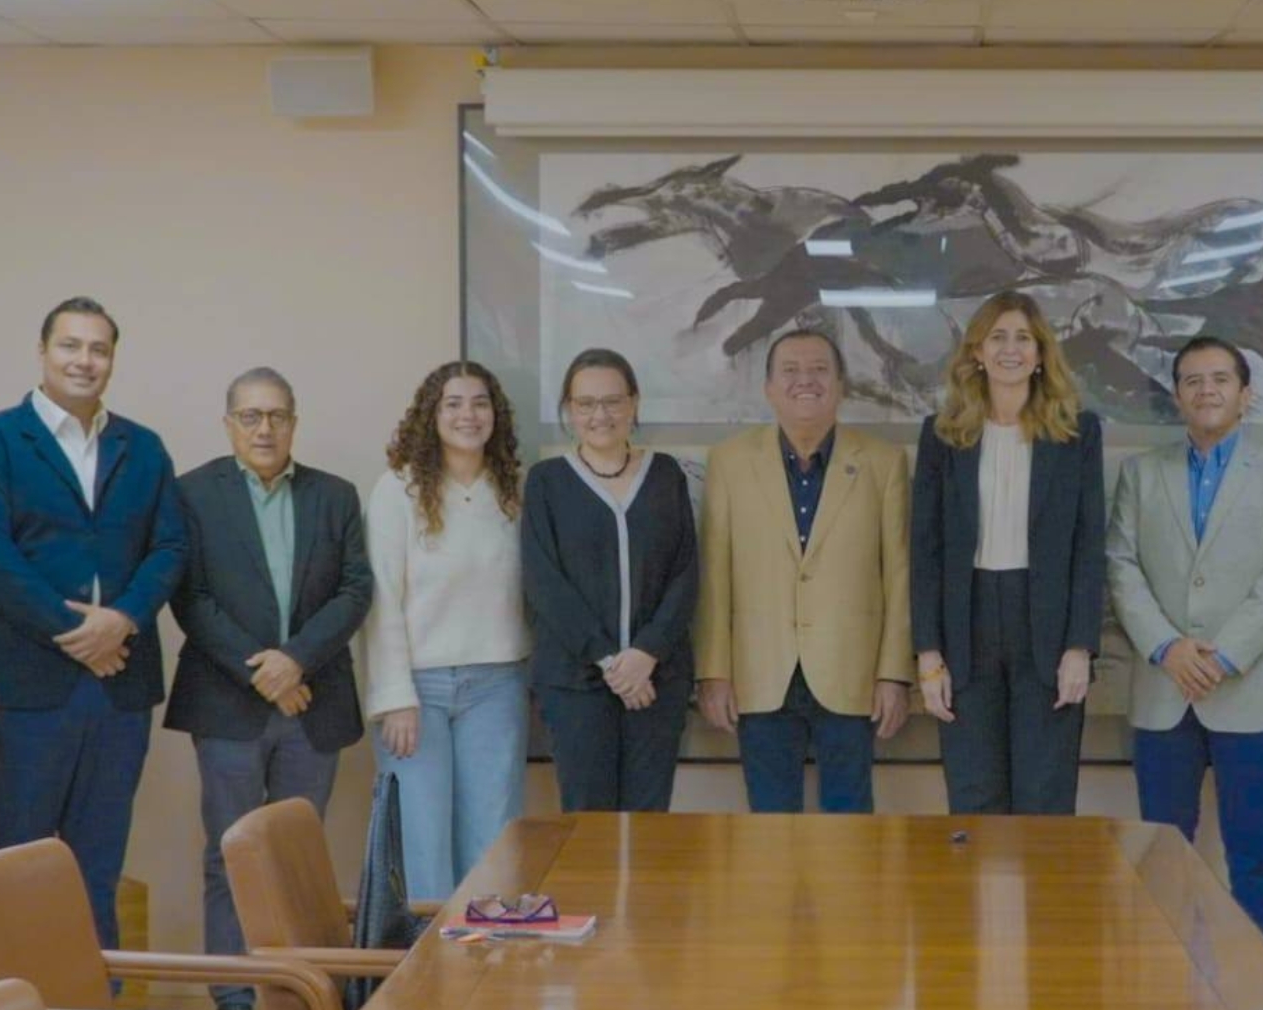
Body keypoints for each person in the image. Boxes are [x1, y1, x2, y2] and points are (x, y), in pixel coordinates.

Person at [0, 297, 189, 948]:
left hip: (120, 686)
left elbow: (170, 547)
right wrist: (77, 633)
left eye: (99, 349)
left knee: (99, 863)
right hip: (30, 683)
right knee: (18, 860)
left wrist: (123, 620)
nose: (85, 360)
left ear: (112, 358)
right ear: (42, 352)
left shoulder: (141, 447)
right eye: (70, 346)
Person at [165, 366, 373, 1010]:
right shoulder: (193, 494)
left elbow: (354, 588)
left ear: (294, 422)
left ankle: (299, 991)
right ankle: (234, 999)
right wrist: (264, 671)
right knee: (228, 855)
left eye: (277, 416)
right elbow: (189, 598)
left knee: (295, 859)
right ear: (229, 424)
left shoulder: (334, 496)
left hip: (313, 702)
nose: (264, 428)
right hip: (229, 704)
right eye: (250, 416)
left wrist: (296, 661)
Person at [1102, 332, 1263, 946]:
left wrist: (1222, 655)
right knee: (1163, 850)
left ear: (1245, 394)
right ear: (1177, 395)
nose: (1206, 390)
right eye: (1192, 381)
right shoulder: (1142, 473)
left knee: (1251, 855)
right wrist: (1167, 646)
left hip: (1247, 689)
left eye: (1220, 379)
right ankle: (1165, 988)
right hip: (1163, 692)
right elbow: (1120, 565)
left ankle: (1260, 999)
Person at [696, 326, 911, 815]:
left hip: (852, 673)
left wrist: (894, 674)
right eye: (789, 371)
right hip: (759, 674)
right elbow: (715, 577)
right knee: (769, 828)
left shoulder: (883, 462)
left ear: (841, 385)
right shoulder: (729, 462)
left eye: (819, 370)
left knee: (850, 826)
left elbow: (898, 576)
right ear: (769, 388)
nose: (805, 381)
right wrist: (714, 671)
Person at [910, 290, 1106, 815]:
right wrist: (929, 654)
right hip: (965, 629)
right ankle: (980, 902)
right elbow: (924, 551)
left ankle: (1041, 902)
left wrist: (1080, 646)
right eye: (997, 337)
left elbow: (1089, 546)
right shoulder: (942, 435)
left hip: (1046, 630)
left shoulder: (1077, 433)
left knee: (1044, 797)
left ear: (1041, 354)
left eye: (1024, 338)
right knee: (975, 795)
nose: (1010, 349)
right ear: (977, 351)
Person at [358, 359, 531, 899]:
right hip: (418, 692)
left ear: (495, 415)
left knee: (491, 843)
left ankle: (486, 972)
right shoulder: (398, 490)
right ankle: (429, 977)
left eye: (480, 403)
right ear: (430, 415)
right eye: (452, 403)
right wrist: (395, 697)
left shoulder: (515, 491)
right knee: (422, 846)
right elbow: (380, 598)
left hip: (497, 685)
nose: (468, 415)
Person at [522, 348, 697, 812]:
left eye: (613, 401)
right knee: (587, 823)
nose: (600, 414)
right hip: (576, 683)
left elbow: (685, 573)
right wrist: (609, 661)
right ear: (569, 410)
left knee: (648, 819)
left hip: (657, 682)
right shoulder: (547, 482)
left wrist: (646, 653)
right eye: (585, 404)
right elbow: (544, 583)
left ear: (634, 404)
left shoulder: (665, 476)